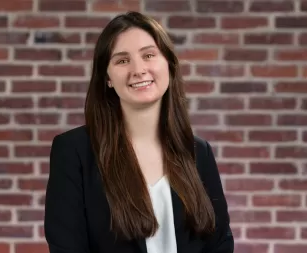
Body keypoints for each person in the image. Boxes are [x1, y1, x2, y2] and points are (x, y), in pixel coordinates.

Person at [44, 11, 234, 253]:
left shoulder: (198, 152)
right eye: (122, 61)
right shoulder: (74, 151)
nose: (139, 69)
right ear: (108, 78)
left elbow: (220, 244)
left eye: (149, 55)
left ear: (168, 64)